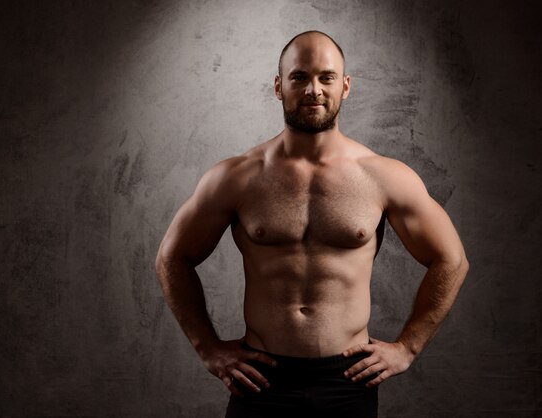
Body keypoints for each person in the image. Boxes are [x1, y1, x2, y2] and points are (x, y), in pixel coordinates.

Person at [155, 30, 469, 417]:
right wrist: (209, 349)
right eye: (299, 77)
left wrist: (408, 347)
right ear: (278, 86)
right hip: (261, 380)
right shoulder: (236, 177)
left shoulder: (384, 176)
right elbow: (171, 257)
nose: (313, 90)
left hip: (348, 381)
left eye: (326, 77)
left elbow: (451, 260)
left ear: (346, 86)